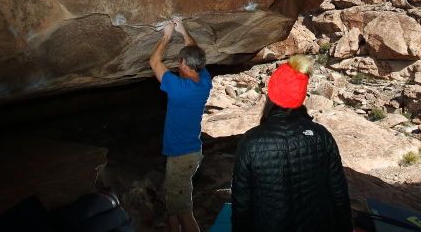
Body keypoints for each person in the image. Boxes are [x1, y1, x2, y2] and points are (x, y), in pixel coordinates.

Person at [230, 55, 352, 232]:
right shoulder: (321, 136)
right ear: (301, 97)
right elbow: (339, 194)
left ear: (271, 95)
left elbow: (241, 203)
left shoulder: (250, 141)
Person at [149, 16, 212, 232]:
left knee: (184, 211)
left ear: (183, 64)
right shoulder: (204, 80)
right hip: (190, 152)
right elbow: (194, 50)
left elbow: (154, 63)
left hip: (180, 156)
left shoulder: (178, 89)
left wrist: (166, 36)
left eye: (179, 61)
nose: (178, 64)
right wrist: (183, 31)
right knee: (173, 206)